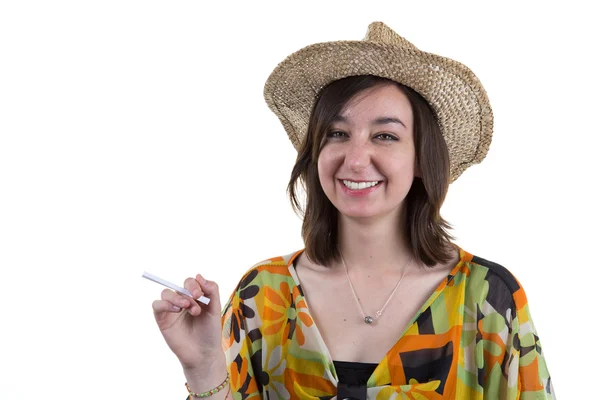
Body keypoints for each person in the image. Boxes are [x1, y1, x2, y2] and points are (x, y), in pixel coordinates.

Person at [151, 21, 555, 399]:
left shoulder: (488, 298)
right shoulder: (262, 295)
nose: (356, 159)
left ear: (421, 160)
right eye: (338, 134)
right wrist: (203, 364)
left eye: (385, 135)